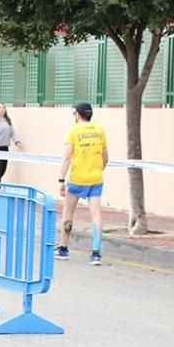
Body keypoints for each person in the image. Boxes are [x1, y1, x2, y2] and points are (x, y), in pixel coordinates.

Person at [57, 102, 108, 266]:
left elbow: (66, 157)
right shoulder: (100, 130)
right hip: (96, 179)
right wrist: (97, 169)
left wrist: (61, 180)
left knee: (68, 213)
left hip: (77, 179)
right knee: (96, 215)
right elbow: (105, 157)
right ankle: (96, 253)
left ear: (78, 115)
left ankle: (63, 248)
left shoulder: (73, 130)